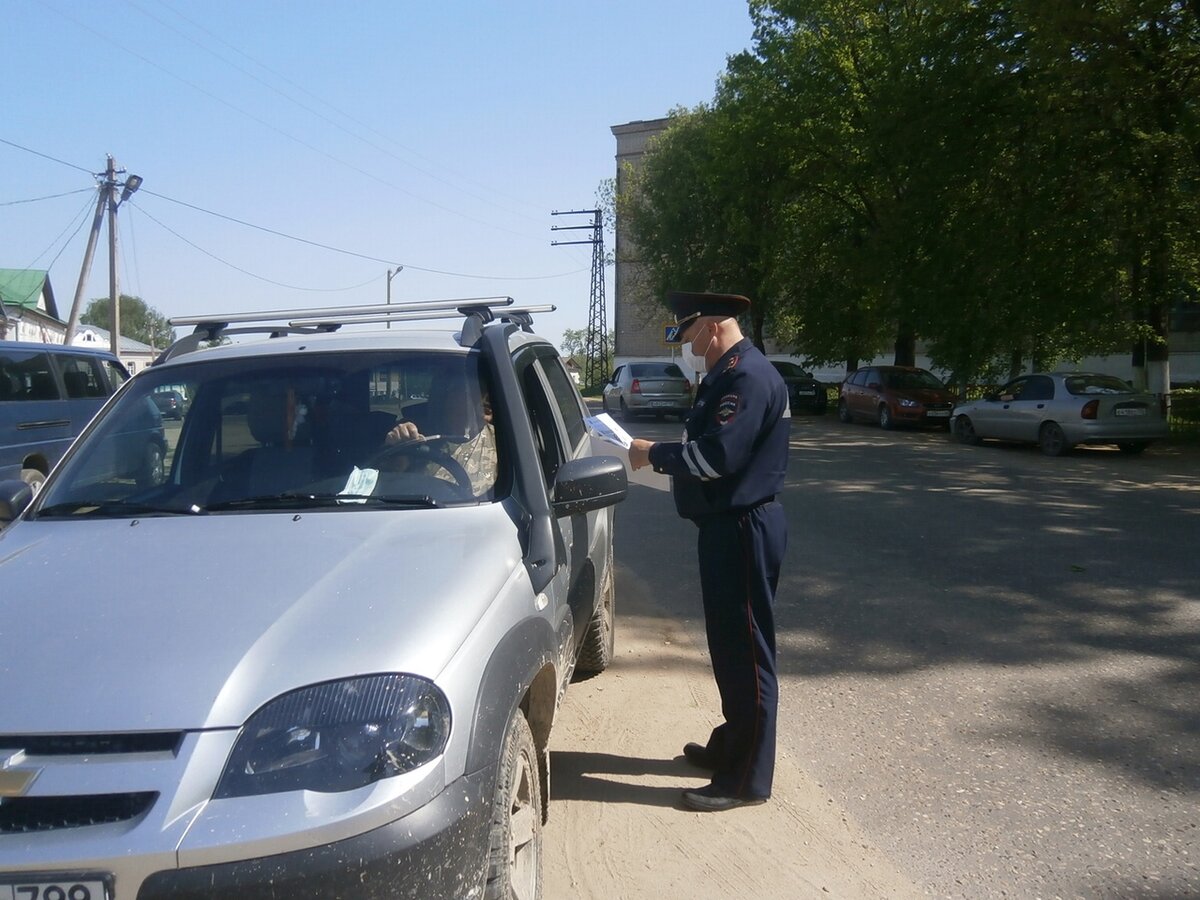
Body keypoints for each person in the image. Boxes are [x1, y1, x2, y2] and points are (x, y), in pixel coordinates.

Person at [627, 290, 789, 813]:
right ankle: (732, 744)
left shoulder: (746, 377)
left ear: (712, 327)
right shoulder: (730, 374)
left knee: (747, 650)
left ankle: (745, 779)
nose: (686, 345)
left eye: (687, 334)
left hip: (742, 525)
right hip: (727, 526)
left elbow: (717, 456)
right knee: (729, 645)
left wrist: (654, 455)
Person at [384, 379, 497, 497]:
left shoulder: (502, 442)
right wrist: (396, 452)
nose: (475, 408)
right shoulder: (414, 435)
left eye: (485, 405)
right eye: (466, 394)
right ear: (446, 397)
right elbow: (378, 491)